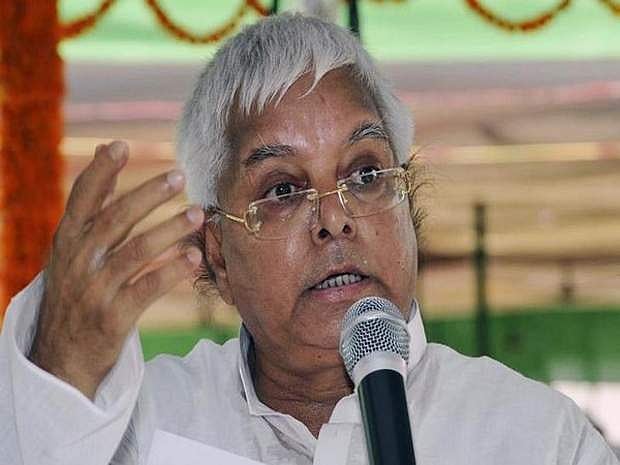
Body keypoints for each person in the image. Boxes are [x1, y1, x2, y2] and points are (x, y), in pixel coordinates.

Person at [0, 13, 617, 465]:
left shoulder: (536, 438)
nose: (335, 219)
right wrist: (60, 365)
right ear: (217, 253)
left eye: (366, 174)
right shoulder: (139, 426)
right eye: (283, 190)